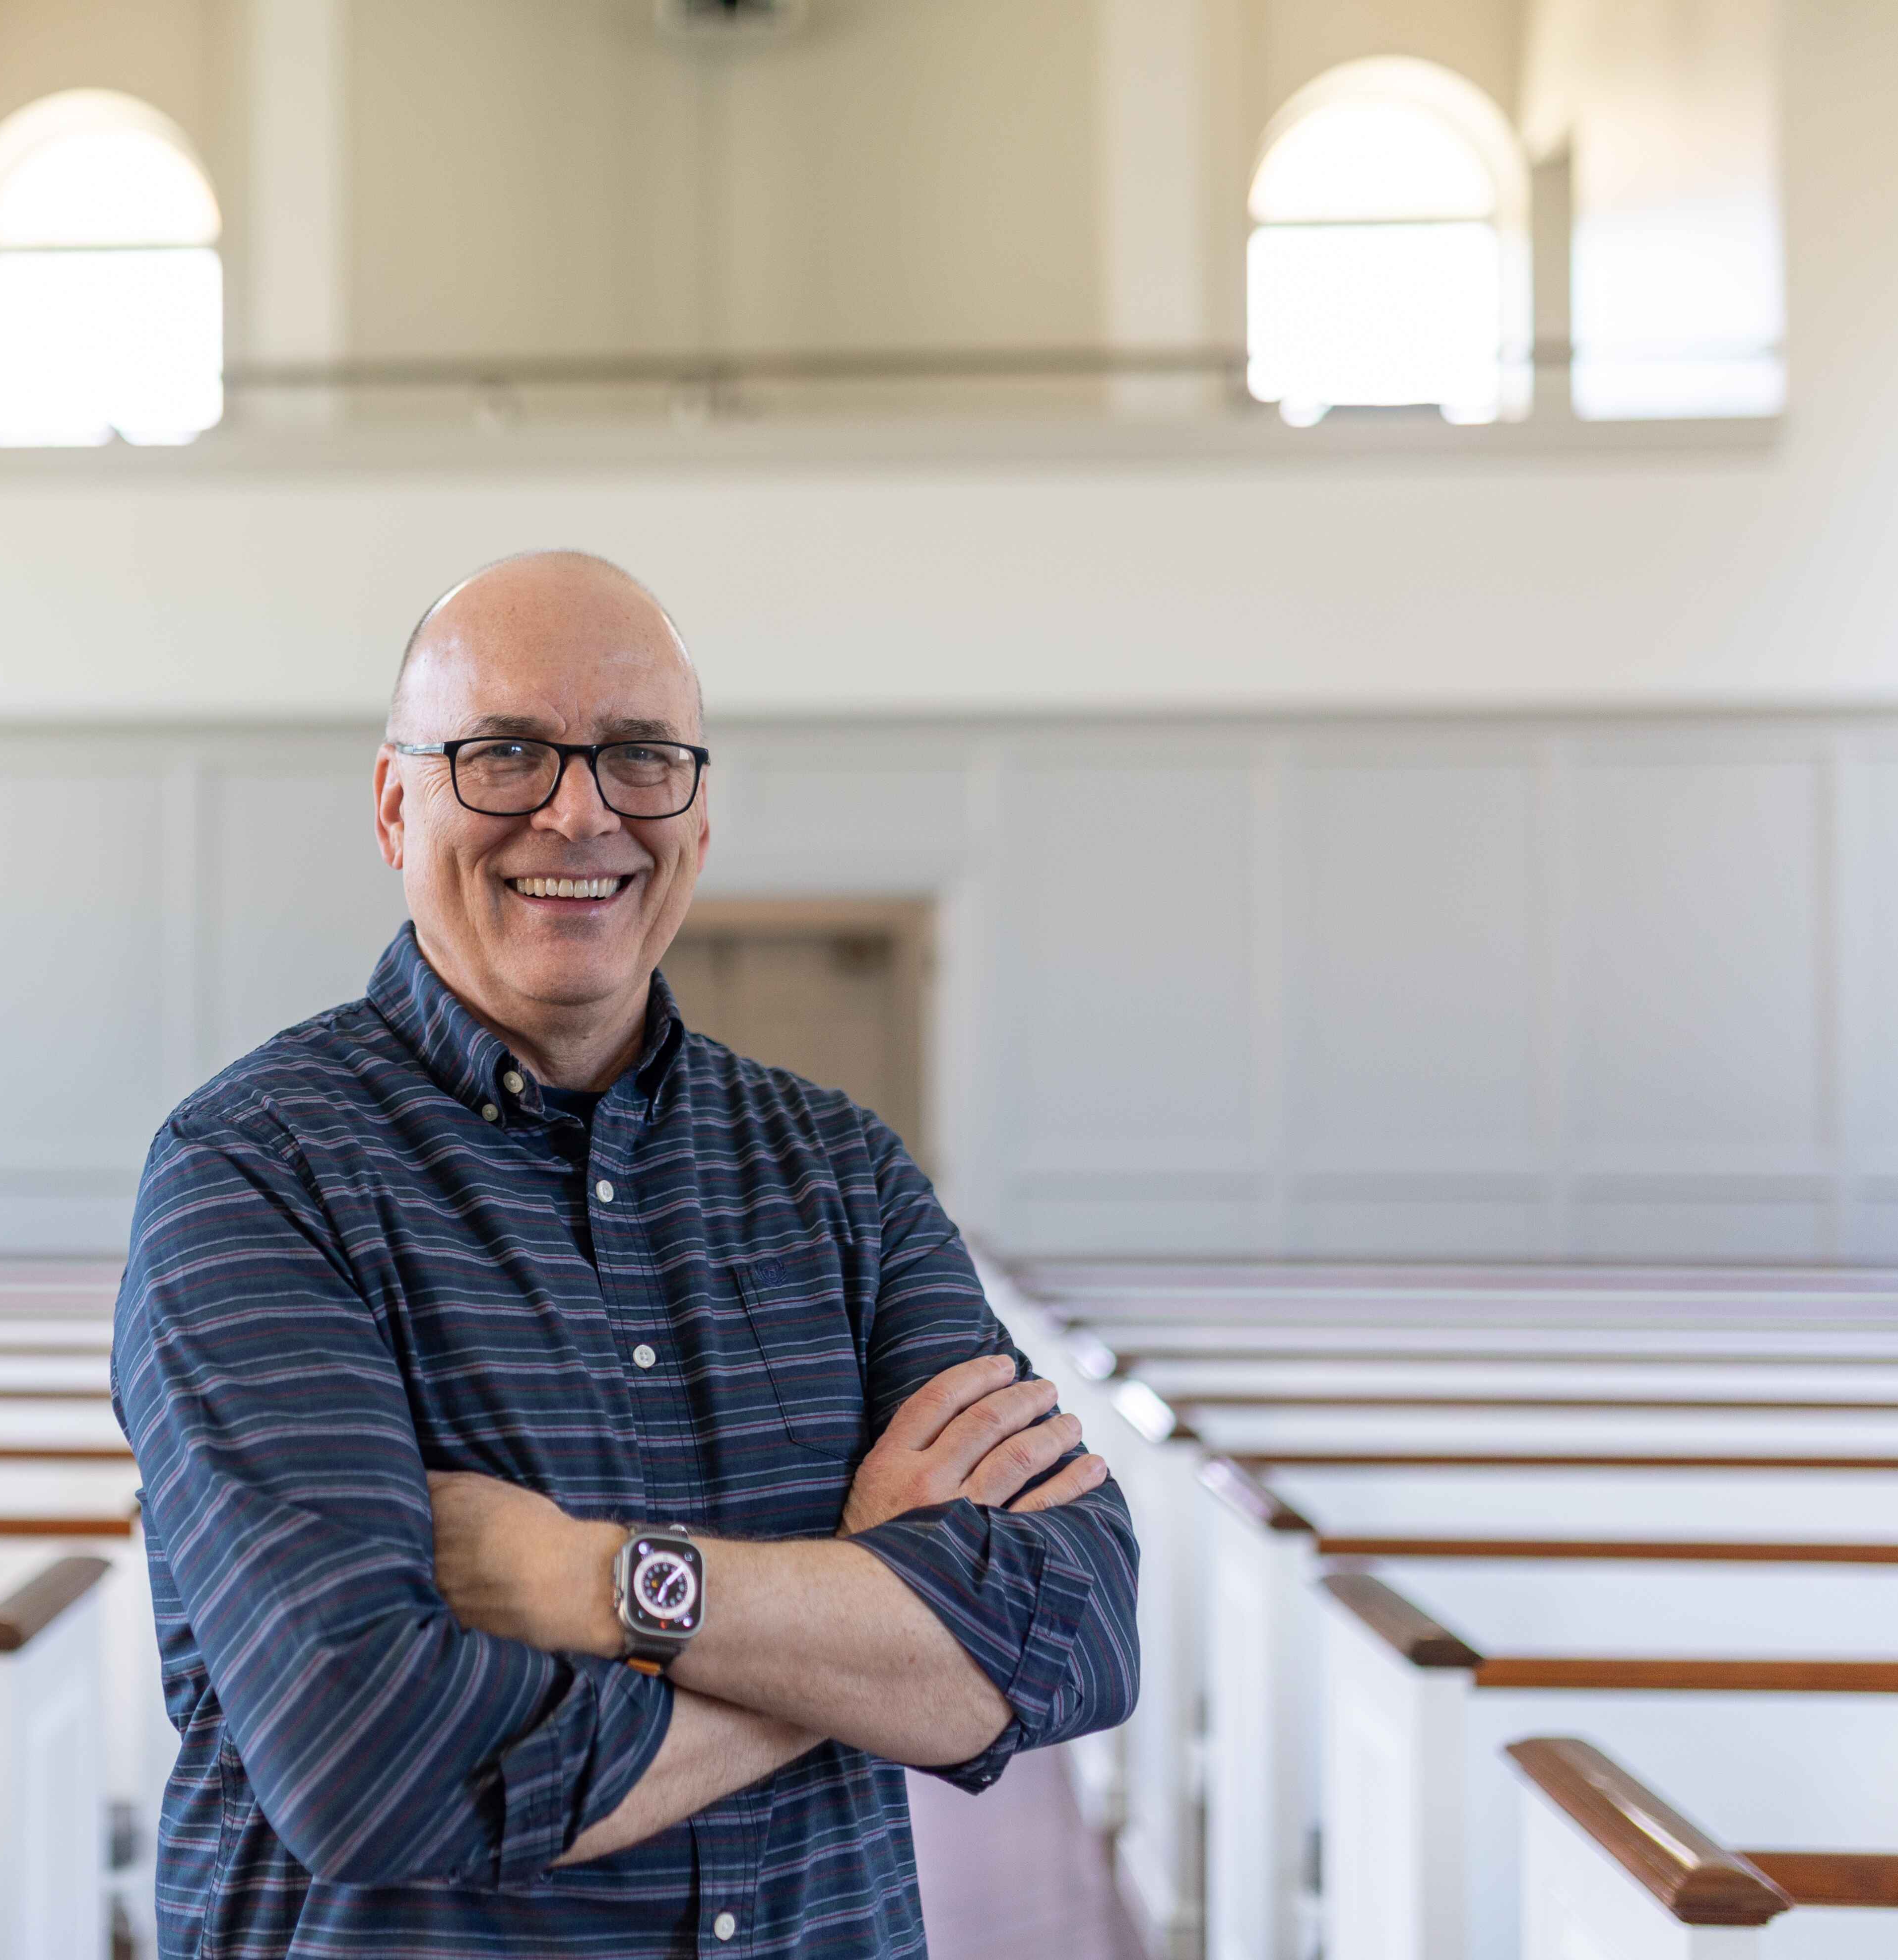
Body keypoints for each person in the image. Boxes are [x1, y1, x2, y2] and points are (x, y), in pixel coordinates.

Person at [115, 551, 1139, 1958]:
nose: (581, 809)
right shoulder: (257, 1173)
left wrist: (606, 1581)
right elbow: (370, 1767)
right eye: (507, 753)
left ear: (699, 819)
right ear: (393, 802)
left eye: (641, 757)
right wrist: (851, 1613)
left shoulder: (841, 1175)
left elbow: (1073, 1634)